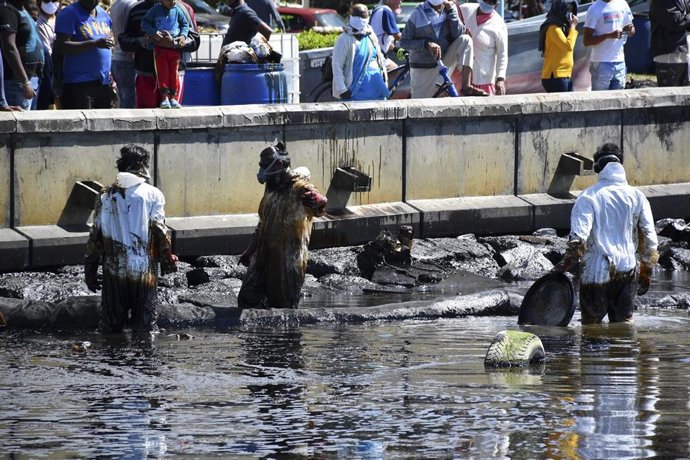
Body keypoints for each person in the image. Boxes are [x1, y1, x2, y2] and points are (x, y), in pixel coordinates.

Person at [553, 143, 658, 324]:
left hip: (596, 271)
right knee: (623, 328)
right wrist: (646, 271)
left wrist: (558, 270)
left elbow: (578, 242)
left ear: (598, 168)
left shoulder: (588, 197)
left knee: (591, 329)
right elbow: (649, 240)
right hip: (628, 268)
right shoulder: (638, 197)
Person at [84, 145, 178, 334]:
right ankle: (142, 362)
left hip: (113, 269)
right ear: (143, 165)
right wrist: (168, 257)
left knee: (110, 327)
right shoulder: (152, 194)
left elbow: (96, 235)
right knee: (145, 326)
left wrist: (90, 270)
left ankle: (109, 362)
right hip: (144, 270)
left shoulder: (105, 194)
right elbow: (159, 230)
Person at [237, 142, 327, 310]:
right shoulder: (270, 190)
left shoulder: (300, 188)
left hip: (287, 262)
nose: (262, 171)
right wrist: (250, 250)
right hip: (263, 257)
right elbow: (262, 224)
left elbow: (318, 204)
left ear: (278, 165)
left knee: (283, 307)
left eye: (264, 166)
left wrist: (321, 200)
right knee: (247, 299)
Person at [119, 0, 199, 108]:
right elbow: (125, 42)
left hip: (174, 76)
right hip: (145, 76)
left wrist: (174, 43)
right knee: (145, 119)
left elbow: (195, 40)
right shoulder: (136, 9)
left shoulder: (183, 9)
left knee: (171, 119)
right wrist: (144, 41)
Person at [399, 0, 487, 98]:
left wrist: (451, 11)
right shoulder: (417, 13)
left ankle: (466, 87)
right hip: (422, 65)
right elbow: (403, 42)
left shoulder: (450, 9)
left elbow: (458, 34)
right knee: (419, 105)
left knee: (466, 40)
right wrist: (426, 44)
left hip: (443, 59)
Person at [54, 0, 114, 109]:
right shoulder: (69, 13)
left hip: (103, 83)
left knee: (103, 124)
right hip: (79, 83)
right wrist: (94, 44)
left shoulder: (103, 14)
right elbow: (62, 47)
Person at [331, 3, 389, 101]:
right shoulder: (344, 39)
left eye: (363, 16)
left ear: (368, 17)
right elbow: (337, 65)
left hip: (376, 88)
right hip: (355, 92)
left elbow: (379, 58)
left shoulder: (371, 35)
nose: (359, 19)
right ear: (350, 16)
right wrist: (342, 89)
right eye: (356, 16)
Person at [141, 0, 189, 108]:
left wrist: (183, 36)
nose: (172, 2)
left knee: (173, 74)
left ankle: (172, 98)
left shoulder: (177, 10)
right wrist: (153, 33)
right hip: (160, 49)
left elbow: (185, 24)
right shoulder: (155, 10)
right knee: (162, 73)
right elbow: (144, 22)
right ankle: (164, 98)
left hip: (174, 48)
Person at [0, 0, 44, 110]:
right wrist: (24, 82)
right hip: (17, 82)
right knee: (20, 124)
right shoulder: (7, 9)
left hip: (32, 78)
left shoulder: (23, 9)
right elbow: (9, 47)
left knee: (31, 124)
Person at [583, 0, 635, 91]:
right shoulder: (594, 9)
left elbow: (632, 31)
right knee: (600, 101)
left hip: (620, 62)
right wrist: (608, 36)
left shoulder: (622, 4)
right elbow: (587, 41)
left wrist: (629, 29)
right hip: (601, 63)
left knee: (619, 101)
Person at [459, 0, 508, 95]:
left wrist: (500, 79)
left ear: (496, 4)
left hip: (483, 80)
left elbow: (502, 54)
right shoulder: (466, 9)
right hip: (460, 77)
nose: (488, 3)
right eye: (486, 0)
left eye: (492, 2)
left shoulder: (499, 24)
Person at [539, 0, 579, 92]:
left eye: (571, 10)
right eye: (567, 10)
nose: (569, 13)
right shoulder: (553, 28)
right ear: (560, 10)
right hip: (555, 76)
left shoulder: (564, 27)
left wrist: (570, 27)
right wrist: (573, 27)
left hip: (565, 75)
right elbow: (568, 46)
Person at [649, 0, 690, 87]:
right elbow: (674, 22)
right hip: (668, 55)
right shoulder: (662, 2)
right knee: (669, 97)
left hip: (685, 54)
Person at [109, 0, 138, 108]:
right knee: (130, 104)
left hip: (117, 57)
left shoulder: (116, 4)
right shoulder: (133, 4)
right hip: (128, 59)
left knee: (123, 102)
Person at [370, 0, 401, 67]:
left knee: (393, 68)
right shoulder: (386, 11)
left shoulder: (379, 8)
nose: (401, 1)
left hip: (373, 52)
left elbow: (382, 37)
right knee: (394, 68)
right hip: (376, 55)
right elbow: (398, 36)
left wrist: (397, 50)